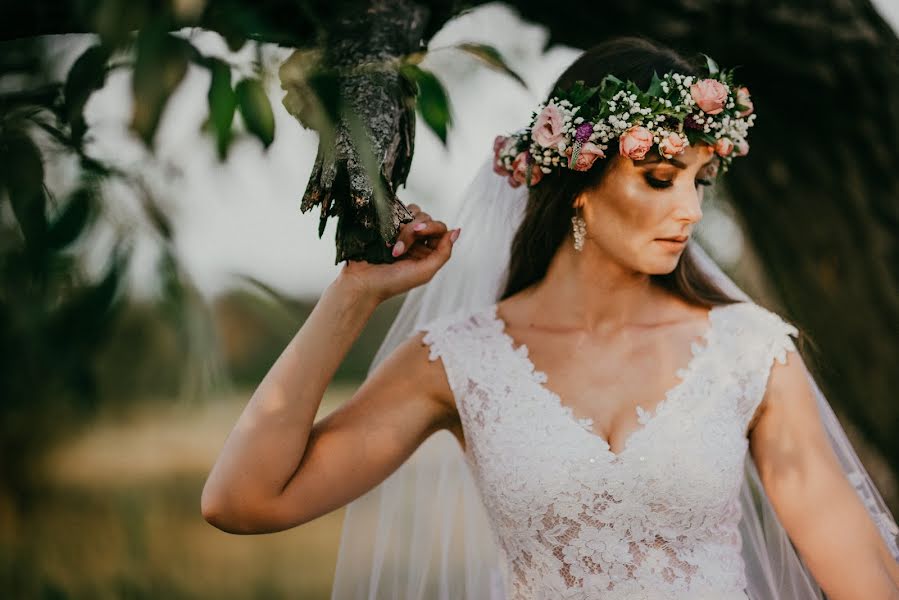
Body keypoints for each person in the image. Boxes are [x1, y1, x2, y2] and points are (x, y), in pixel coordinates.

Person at [201, 36, 899, 599]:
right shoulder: (459, 360)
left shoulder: (746, 352)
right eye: (659, 178)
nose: (689, 208)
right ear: (576, 184)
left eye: (699, 181)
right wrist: (353, 292)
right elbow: (243, 501)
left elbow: (863, 582)